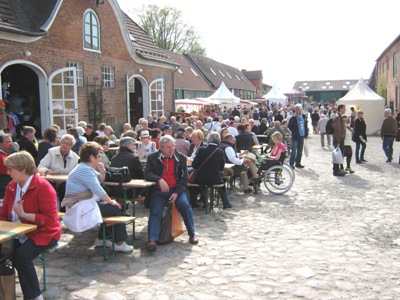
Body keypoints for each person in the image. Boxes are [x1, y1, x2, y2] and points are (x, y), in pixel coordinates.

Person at [0, 151, 62, 300]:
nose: (8, 173)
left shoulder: (43, 187)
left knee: (21, 257)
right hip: (16, 232)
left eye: (11, 169)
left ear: (23, 170)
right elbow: (3, 214)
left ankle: (34, 296)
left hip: (44, 233)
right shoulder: (12, 186)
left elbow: (50, 221)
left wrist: (24, 215)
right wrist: (7, 240)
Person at [65, 142, 133, 252]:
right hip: (79, 208)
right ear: (91, 157)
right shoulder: (84, 169)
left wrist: (102, 171)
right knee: (116, 208)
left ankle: (102, 238)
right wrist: (111, 201)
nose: (100, 158)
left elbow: (100, 180)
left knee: (111, 207)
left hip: (82, 204)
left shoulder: (85, 167)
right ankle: (120, 243)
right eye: (98, 156)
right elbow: (97, 189)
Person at [144, 135, 198, 251]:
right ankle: (152, 239)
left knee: (185, 206)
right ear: (161, 148)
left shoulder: (181, 158)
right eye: (169, 147)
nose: (172, 149)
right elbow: (147, 173)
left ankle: (192, 234)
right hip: (159, 190)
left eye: (173, 146)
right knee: (156, 211)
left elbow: (184, 179)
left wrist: (177, 193)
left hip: (176, 190)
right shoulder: (153, 158)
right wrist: (158, 179)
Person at [37, 134, 79, 210]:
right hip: (50, 180)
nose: (64, 145)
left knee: (66, 188)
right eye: (63, 142)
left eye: (67, 144)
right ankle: (49, 210)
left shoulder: (75, 157)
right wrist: (50, 171)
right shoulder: (52, 152)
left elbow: (75, 174)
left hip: (64, 182)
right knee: (48, 189)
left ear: (71, 146)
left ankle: (63, 213)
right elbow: (40, 167)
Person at [191, 132, 232, 208]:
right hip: (214, 178)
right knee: (221, 185)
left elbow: (194, 165)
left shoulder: (202, 149)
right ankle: (226, 203)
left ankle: (198, 201)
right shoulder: (220, 152)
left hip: (201, 178)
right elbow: (221, 168)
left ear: (208, 139)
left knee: (195, 185)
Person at [288, 104, 308, 169]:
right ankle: (291, 163)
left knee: (300, 150)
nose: (296, 111)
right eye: (295, 109)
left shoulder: (304, 116)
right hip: (295, 136)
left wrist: (306, 134)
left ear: (300, 110)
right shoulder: (293, 117)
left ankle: (298, 163)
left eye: (298, 109)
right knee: (293, 150)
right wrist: (293, 132)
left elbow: (305, 126)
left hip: (301, 135)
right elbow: (289, 126)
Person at [0, 134, 20, 198]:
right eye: (8, 142)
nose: (11, 145)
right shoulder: (1, 157)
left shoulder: (4, 155)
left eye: (11, 142)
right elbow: (16, 164)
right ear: (0, 145)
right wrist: (15, 150)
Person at [332, 104, 346, 176]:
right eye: (344, 108)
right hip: (339, 139)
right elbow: (337, 130)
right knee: (337, 154)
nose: (345, 110)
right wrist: (338, 141)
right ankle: (336, 170)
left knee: (339, 154)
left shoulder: (340, 117)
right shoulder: (338, 117)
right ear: (340, 109)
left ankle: (338, 169)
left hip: (340, 138)